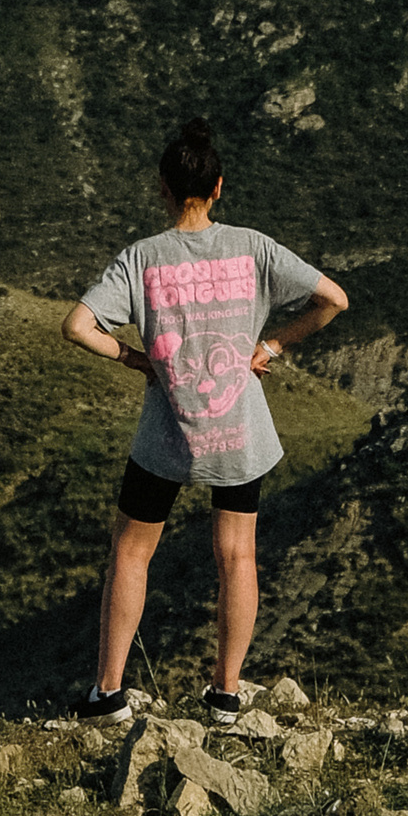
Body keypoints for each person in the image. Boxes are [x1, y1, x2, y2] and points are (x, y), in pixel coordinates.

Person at [61, 115, 348, 724]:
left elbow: (77, 326)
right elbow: (333, 300)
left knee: (131, 553)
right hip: (239, 429)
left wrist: (137, 359)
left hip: (165, 434)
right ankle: (225, 694)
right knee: (236, 556)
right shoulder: (254, 247)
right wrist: (271, 347)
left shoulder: (141, 259)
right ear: (219, 188)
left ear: (163, 190)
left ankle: (108, 693)